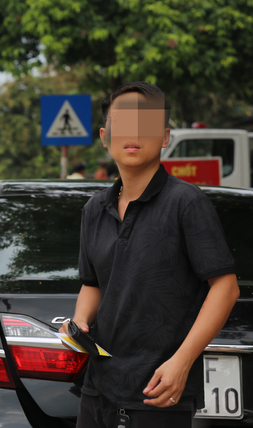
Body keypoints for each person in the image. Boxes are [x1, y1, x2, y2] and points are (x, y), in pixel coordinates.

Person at [61, 81, 239, 428]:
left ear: (165, 136)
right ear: (104, 134)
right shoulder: (94, 209)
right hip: (98, 388)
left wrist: (182, 361)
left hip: (159, 390)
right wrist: (80, 320)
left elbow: (225, 287)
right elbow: (93, 284)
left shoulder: (186, 203)